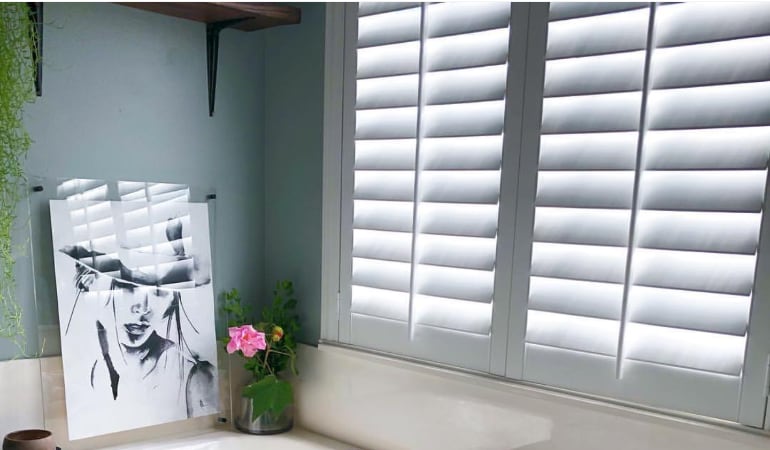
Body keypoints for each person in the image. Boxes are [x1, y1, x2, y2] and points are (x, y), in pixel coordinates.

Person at [60, 217, 217, 420]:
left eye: (158, 290)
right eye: (127, 286)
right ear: (90, 283)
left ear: (171, 300)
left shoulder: (196, 378)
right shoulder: (84, 375)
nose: (142, 308)